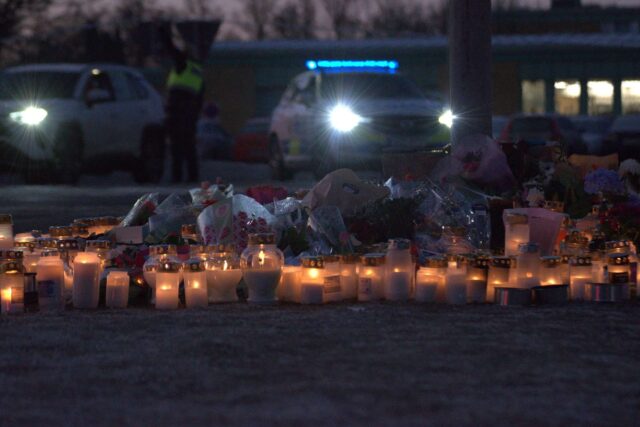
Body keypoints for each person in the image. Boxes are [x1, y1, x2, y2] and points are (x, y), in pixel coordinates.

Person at [159, 26, 204, 183]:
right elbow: (200, 98)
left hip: (176, 112)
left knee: (176, 148)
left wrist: (163, 32)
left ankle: (177, 178)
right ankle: (192, 177)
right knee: (189, 147)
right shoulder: (197, 70)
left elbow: (171, 49)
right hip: (189, 115)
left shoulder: (182, 65)